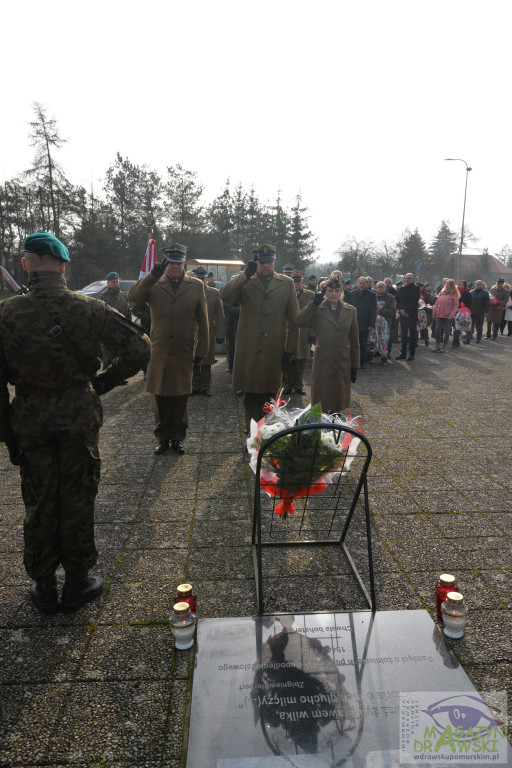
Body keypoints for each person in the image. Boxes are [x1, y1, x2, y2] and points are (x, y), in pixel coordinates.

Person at [0, 232, 150, 614]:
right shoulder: (89, 307)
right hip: (78, 419)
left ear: (25, 264)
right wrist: (103, 382)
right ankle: (78, 582)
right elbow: (139, 348)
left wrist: (8, 433)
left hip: (30, 422)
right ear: (64, 265)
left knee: (39, 503)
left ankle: (44, 585)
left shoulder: (6, 314)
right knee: (78, 500)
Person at [128, 243, 209, 455]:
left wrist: (203, 350)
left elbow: (203, 320)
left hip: (184, 348)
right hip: (160, 348)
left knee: (181, 396)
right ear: (166, 264)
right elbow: (133, 297)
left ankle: (178, 437)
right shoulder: (154, 283)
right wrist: (151, 276)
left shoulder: (196, 285)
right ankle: (162, 437)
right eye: (171, 263)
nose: (175, 267)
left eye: (179, 263)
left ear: (184, 263)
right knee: (160, 395)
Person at [219, 244, 298, 430]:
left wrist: (290, 348)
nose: (265, 266)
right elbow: (225, 296)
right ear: (256, 262)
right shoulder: (246, 279)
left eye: (269, 262)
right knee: (250, 394)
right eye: (262, 262)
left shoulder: (286, 283)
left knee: (270, 395)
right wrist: (244, 274)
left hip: (274, 347)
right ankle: (252, 432)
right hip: (249, 347)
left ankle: (268, 432)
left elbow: (294, 319)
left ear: (274, 262)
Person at [296, 277, 359, 413]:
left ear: (341, 292)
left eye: (337, 291)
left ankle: (336, 426)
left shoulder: (351, 310)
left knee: (339, 398)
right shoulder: (317, 308)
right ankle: (321, 426)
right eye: (330, 291)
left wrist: (355, 365)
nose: (333, 294)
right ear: (325, 292)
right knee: (321, 397)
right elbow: (298, 321)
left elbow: (354, 340)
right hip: (323, 359)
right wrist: (313, 304)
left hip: (342, 359)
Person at [191, 267, 225, 396]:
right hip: (191, 332)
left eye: (202, 278)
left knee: (206, 361)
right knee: (193, 360)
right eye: (198, 278)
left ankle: (205, 386)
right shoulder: (189, 291)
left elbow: (220, 315)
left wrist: (221, 335)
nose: (201, 280)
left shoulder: (214, 293)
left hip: (208, 332)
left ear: (206, 279)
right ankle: (194, 386)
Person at [282, 273, 315, 394]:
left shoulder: (310, 295)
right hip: (288, 331)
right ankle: (287, 384)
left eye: (298, 282)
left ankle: (298, 385)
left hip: (304, 331)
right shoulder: (285, 293)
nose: (296, 284)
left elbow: (314, 315)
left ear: (302, 282)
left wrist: (313, 332)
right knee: (288, 360)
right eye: (294, 282)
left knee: (301, 361)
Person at [98, 271, 132, 371]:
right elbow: (100, 315)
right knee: (108, 357)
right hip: (109, 332)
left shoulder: (122, 296)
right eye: (113, 282)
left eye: (116, 281)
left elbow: (127, 312)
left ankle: (119, 377)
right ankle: (106, 378)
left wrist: (129, 327)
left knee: (121, 355)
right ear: (107, 283)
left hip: (122, 331)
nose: (115, 283)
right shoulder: (103, 297)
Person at [349, 276, 377, 367]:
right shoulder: (351, 294)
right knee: (352, 343)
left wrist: (371, 324)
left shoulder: (372, 295)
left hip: (365, 323)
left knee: (362, 344)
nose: (361, 285)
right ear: (357, 284)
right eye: (360, 283)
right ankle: (352, 361)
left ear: (367, 284)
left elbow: (373, 311)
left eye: (363, 284)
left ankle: (361, 362)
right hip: (352, 322)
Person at [395, 273, 421, 361]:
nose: (407, 280)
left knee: (412, 335)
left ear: (413, 279)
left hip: (411, 315)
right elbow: (398, 300)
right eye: (406, 278)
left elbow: (414, 301)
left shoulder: (416, 289)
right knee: (403, 335)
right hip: (403, 315)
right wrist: (401, 310)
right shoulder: (402, 289)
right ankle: (403, 353)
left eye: (409, 278)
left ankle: (412, 354)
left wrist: (405, 310)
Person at [432, 279, 459, 352]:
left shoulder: (454, 294)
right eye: (445, 284)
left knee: (447, 332)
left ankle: (444, 347)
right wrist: (434, 313)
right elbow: (437, 303)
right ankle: (437, 346)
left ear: (451, 285)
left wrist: (452, 315)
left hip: (448, 316)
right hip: (439, 315)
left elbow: (455, 306)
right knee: (437, 330)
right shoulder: (442, 293)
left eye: (447, 284)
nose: (446, 285)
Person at [375, 281, 396, 363]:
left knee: (385, 338)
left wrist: (380, 311)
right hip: (375, 323)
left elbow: (392, 311)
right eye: (378, 287)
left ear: (385, 288)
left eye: (382, 287)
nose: (380, 288)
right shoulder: (373, 296)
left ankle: (384, 356)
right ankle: (375, 352)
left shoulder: (390, 298)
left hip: (386, 322)